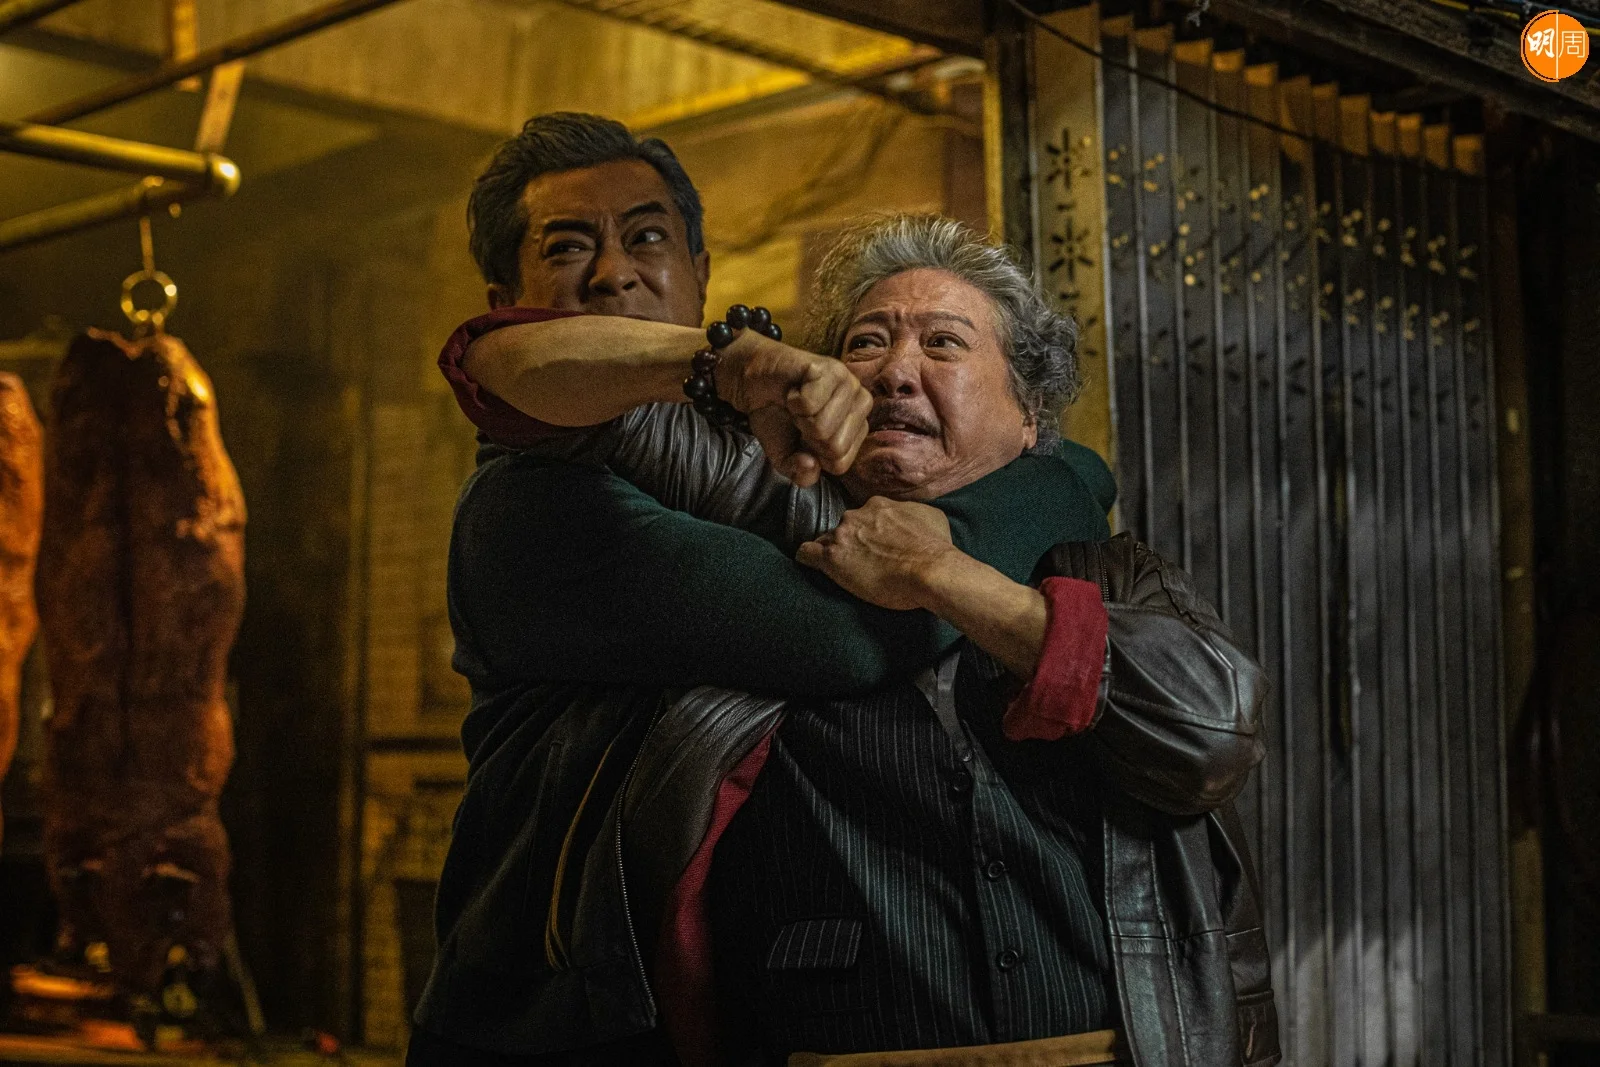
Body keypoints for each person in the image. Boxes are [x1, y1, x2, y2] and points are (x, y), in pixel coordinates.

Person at [411, 113, 1279, 1067]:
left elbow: (1210, 727)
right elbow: (494, 369)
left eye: (944, 343)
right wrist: (737, 362)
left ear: (1030, 412)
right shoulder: (738, 502)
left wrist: (952, 566)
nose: (897, 371)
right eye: (865, 344)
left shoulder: (1105, 568)